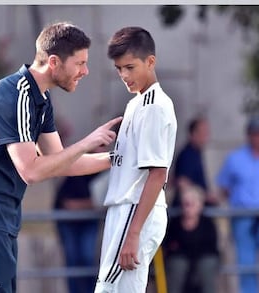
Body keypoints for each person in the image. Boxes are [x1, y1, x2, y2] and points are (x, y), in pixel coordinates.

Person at [0, 21, 122, 293]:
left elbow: (61, 162)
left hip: (2, 221)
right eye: (80, 63)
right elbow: (31, 170)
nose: (85, 71)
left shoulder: (40, 99)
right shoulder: (15, 95)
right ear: (54, 62)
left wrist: (118, 159)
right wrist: (88, 142)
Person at [94, 27, 177, 293]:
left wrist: (133, 233)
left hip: (134, 210)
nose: (124, 75)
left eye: (130, 67)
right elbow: (119, 162)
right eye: (119, 69)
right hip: (123, 211)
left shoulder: (154, 105)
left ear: (150, 61)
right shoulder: (136, 103)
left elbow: (157, 173)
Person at [216, 114, 259, 293]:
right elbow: (223, 187)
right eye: (254, 133)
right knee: (245, 261)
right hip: (243, 216)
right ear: (248, 135)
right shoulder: (235, 158)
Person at [163, 184, 219, 293]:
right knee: (177, 265)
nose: (187, 208)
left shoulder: (207, 224)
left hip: (202, 259)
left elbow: (211, 248)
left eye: (191, 204)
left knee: (206, 266)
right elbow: (169, 245)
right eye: (185, 204)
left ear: (200, 205)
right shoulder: (175, 224)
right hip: (180, 260)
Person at [54, 173, 100, 293]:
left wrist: (88, 204)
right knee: (73, 260)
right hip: (68, 221)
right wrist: (91, 204)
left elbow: (100, 202)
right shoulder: (81, 167)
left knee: (87, 258)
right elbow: (67, 203)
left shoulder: (106, 170)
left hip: (89, 220)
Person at [172, 116, 215, 206]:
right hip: (189, 207)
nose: (206, 136)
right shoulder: (186, 155)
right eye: (203, 132)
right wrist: (204, 196)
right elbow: (182, 182)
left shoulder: (197, 153)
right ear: (193, 133)